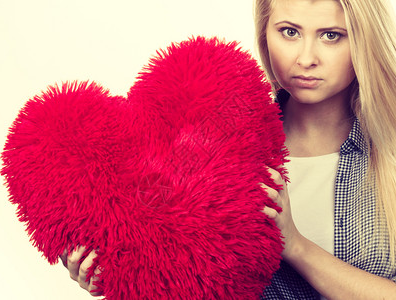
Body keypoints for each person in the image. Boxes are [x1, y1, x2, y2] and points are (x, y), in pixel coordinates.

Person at [60, 0, 396, 298]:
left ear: (363, 39)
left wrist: (295, 246)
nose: (306, 58)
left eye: (331, 35)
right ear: (265, 34)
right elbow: (169, 259)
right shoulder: (212, 143)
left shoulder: (389, 152)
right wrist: (117, 271)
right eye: (290, 32)